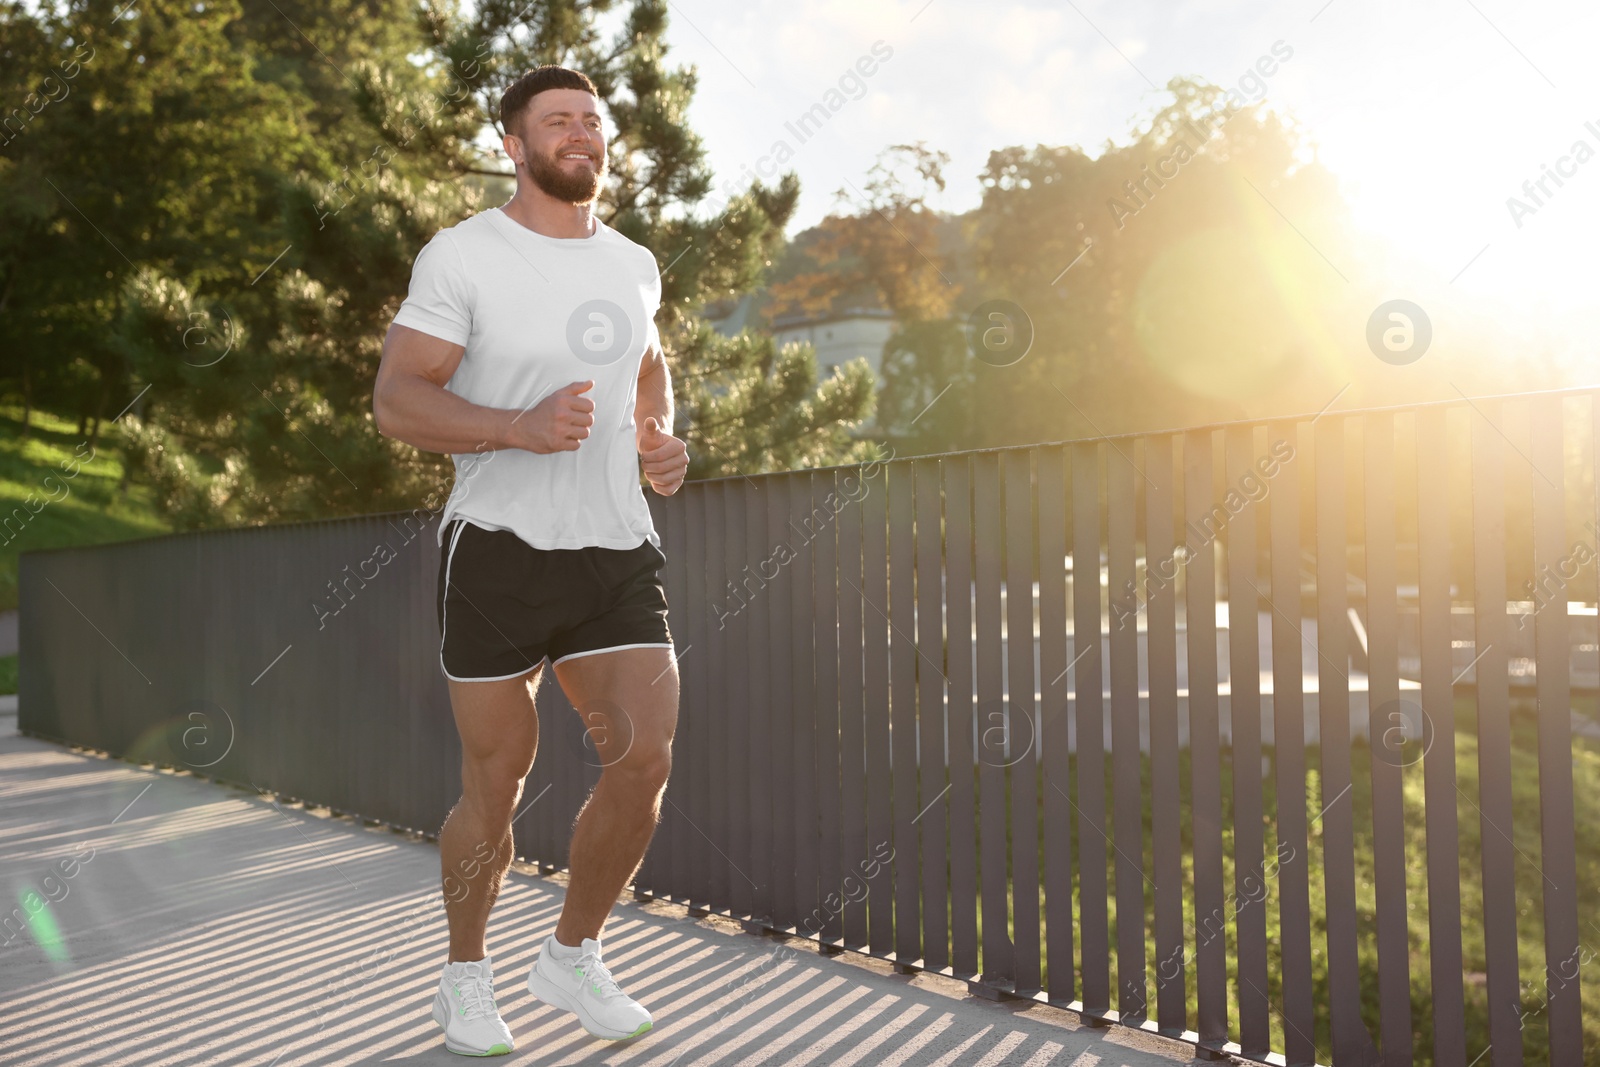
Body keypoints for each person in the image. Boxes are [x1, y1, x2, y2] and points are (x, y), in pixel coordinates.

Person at [372, 64, 689, 1057]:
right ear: (514, 145)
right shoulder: (464, 255)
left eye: (592, 121)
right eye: (557, 121)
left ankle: (572, 951)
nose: (580, 135)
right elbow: (397, 399)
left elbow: (646, 360)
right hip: (499, 553)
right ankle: (465, 975)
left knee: (641, 757)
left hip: (614, 549)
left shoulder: (634, 261)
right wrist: (513, 424)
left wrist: (659, 436)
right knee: (497, 780)